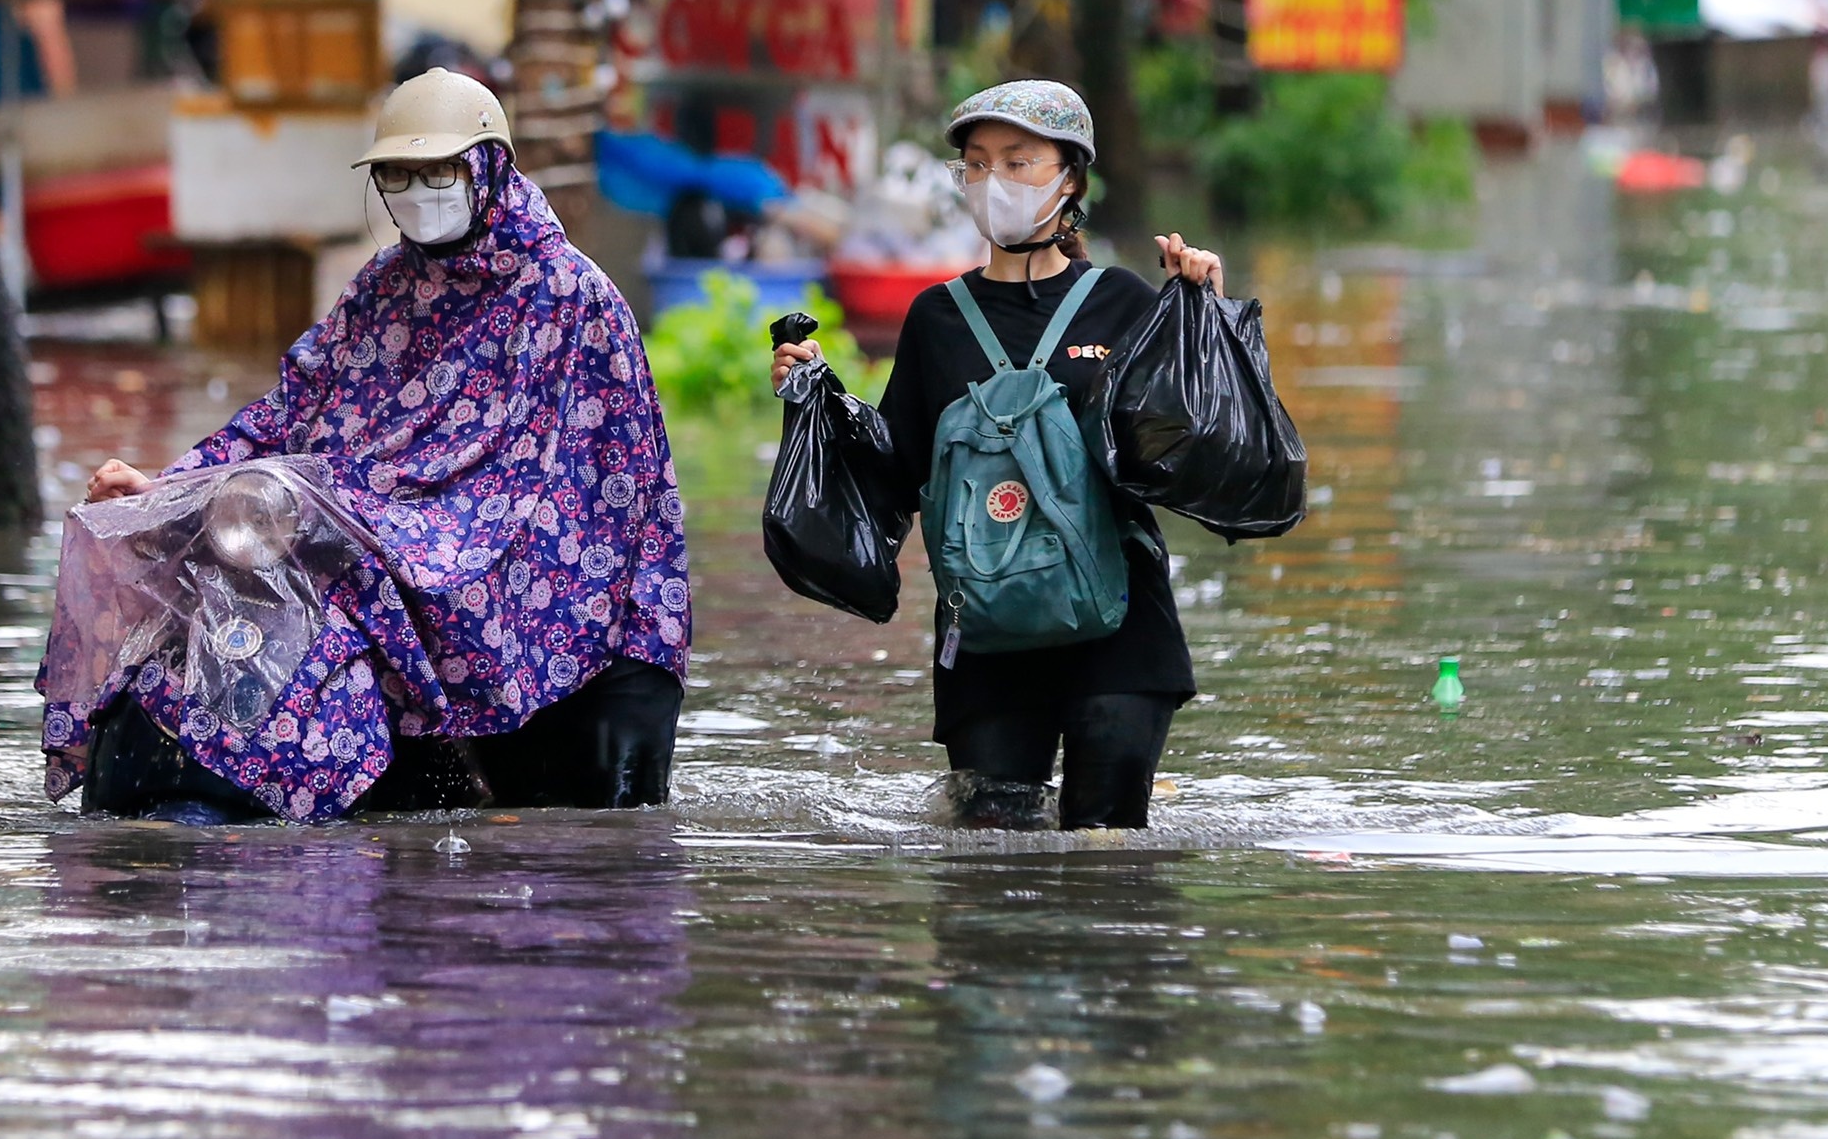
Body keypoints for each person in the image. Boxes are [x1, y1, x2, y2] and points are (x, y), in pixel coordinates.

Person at [75, 69, 692, 820]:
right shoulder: (385, 284)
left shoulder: (571, 294)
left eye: (438, 170)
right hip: (379, 520)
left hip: (527, 556)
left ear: (488, 166)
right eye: (397, 172)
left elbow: (607, 490)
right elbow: (290, 410)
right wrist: (169, 486)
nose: (417, 188)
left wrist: (411, 521)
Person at [771, 79, 1222, 831]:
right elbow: (894, 477)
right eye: (977, 165)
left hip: (1121, 635)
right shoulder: (936, 318)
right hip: (985, 635)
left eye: (1018, 162)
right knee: (990, 870)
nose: (994, 182)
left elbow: (1193, 457)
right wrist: (817, 402)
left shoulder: (1129, 303)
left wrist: (1202, 320)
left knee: (1108, 865)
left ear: (1070, 179)